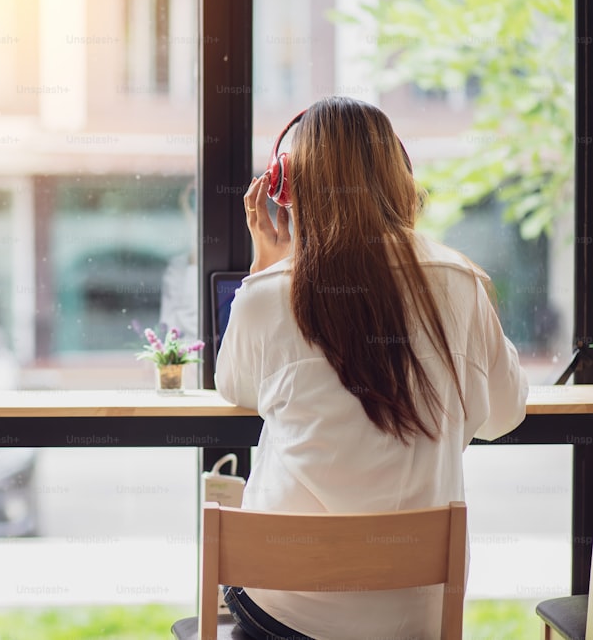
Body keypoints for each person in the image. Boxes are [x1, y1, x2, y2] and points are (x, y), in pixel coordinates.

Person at [215, 96, 528, 640]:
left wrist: (266, 267)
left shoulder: (267, 295)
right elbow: (505, 416)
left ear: (284, 191)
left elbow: (233, 385)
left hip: (287, 613)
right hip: (418, 616)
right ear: (402, 181)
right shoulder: (462, 283)